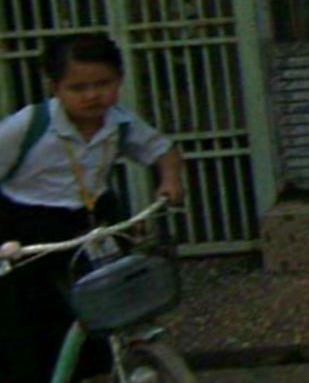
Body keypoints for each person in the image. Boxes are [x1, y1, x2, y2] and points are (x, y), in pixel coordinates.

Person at [0, 33, 183, 382]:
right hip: (28, 225)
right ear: (55, 87)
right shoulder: (29, 125)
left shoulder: (120, 122)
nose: (92, 95)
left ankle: (111, 365)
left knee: (111, 298)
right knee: (33, 317)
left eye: (103, 84)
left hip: (93, 218)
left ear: (120, 80)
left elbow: (162, 150)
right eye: (78, 88)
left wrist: (170, 181)